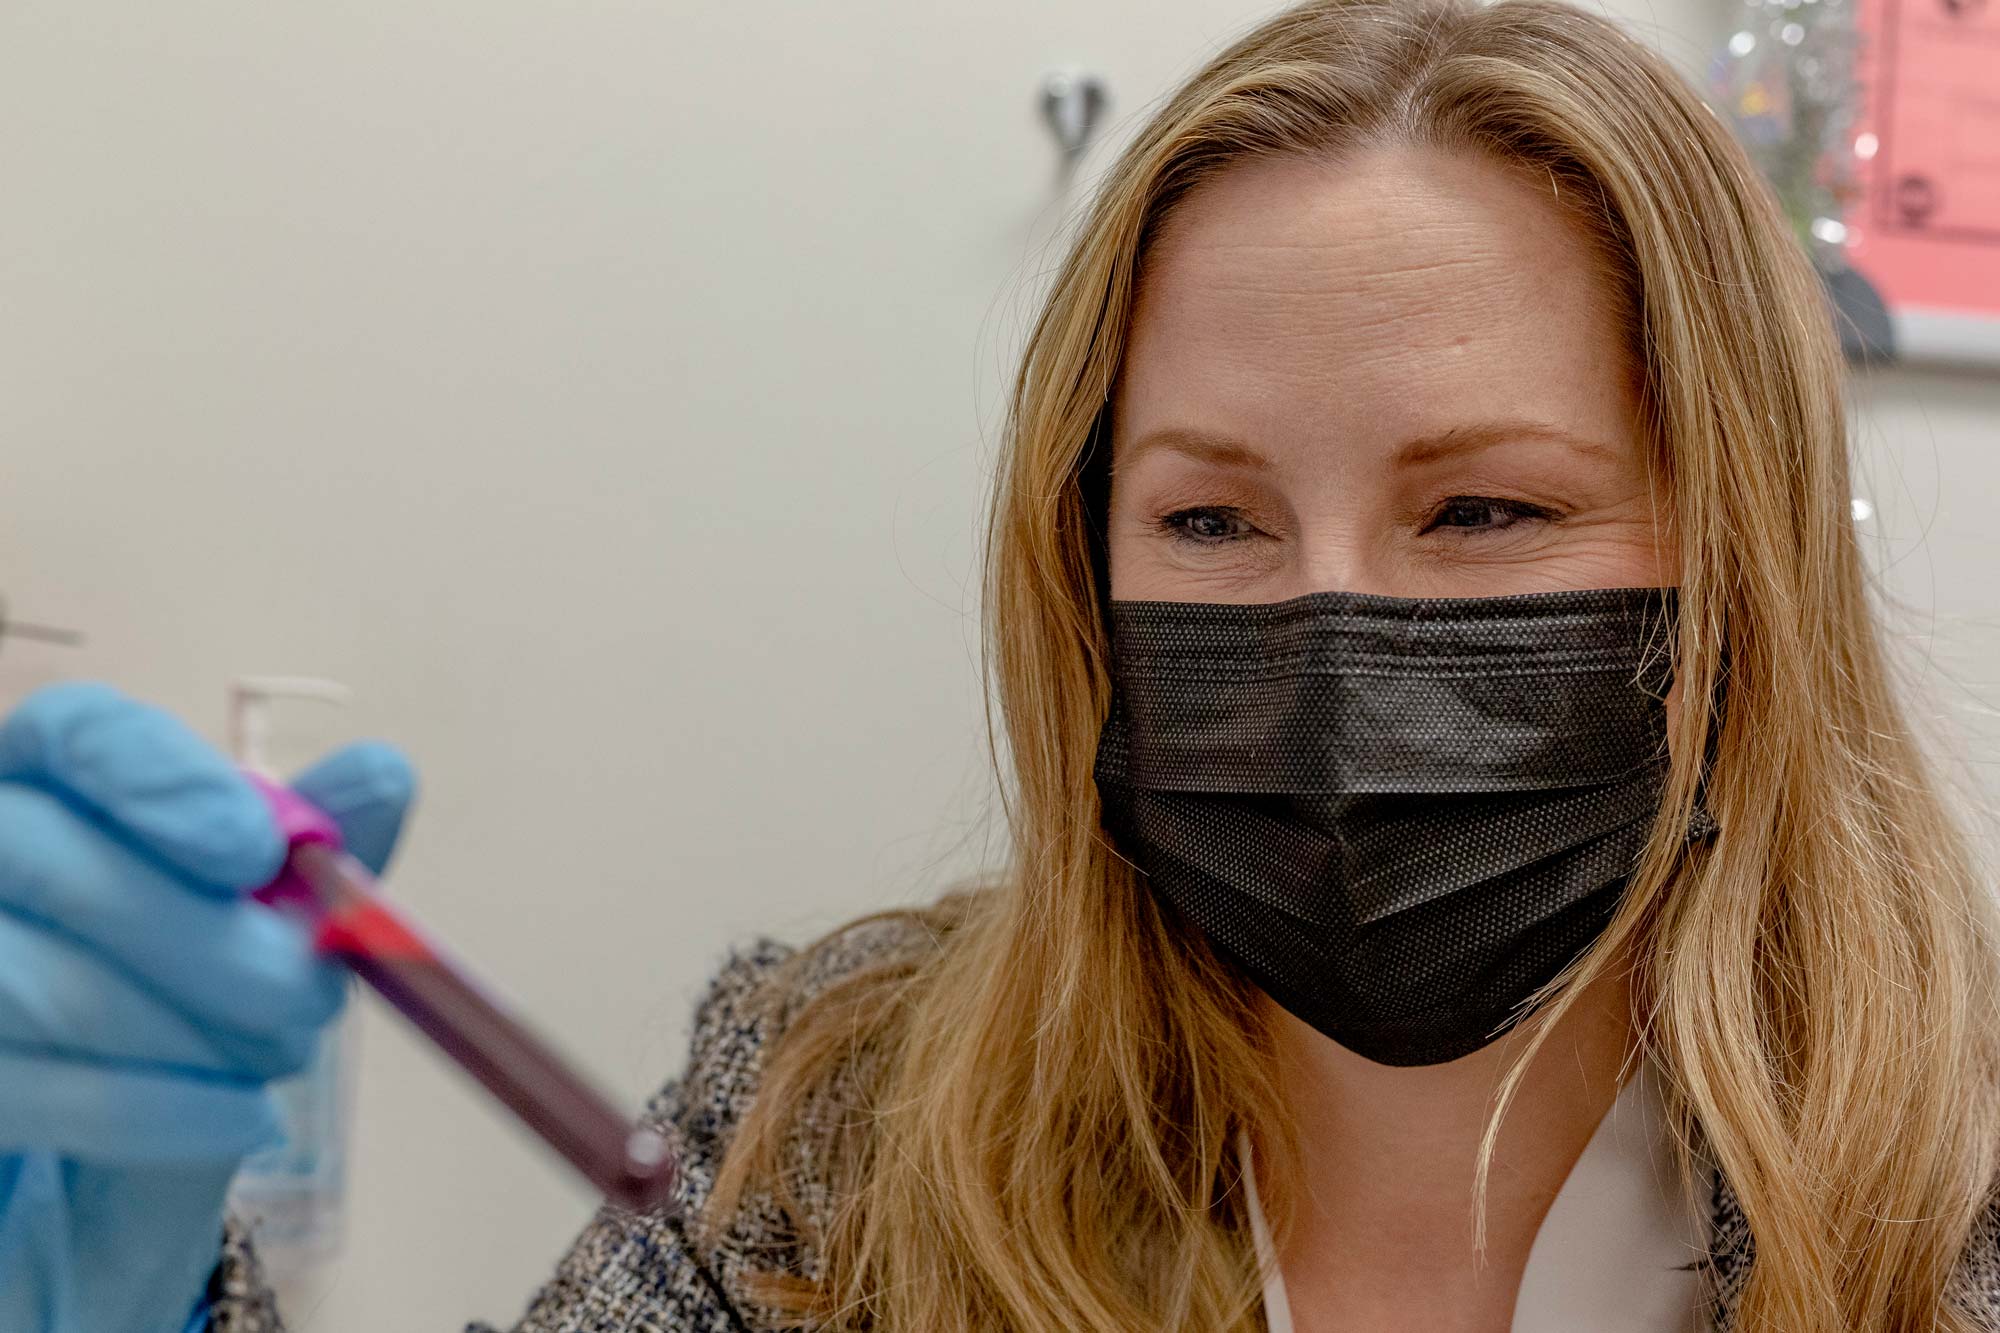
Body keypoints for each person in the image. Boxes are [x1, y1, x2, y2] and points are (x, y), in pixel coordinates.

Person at [4, 0, 1998, 1328]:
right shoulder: (832, 1097)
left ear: (1736, 564)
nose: (1322, 637)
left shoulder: (1957, 1191)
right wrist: (145, 1280)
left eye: (1480, 513)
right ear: (1085, 573)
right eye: (1209, 522)